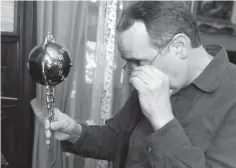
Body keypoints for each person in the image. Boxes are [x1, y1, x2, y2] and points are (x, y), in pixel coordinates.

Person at [31, 1, 236, 168]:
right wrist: (75, 131)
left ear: (179, 47)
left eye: (140, 62)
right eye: (129, 63)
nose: (134, 75)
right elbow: (118, 139)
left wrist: (162, 120)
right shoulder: (153, 80)